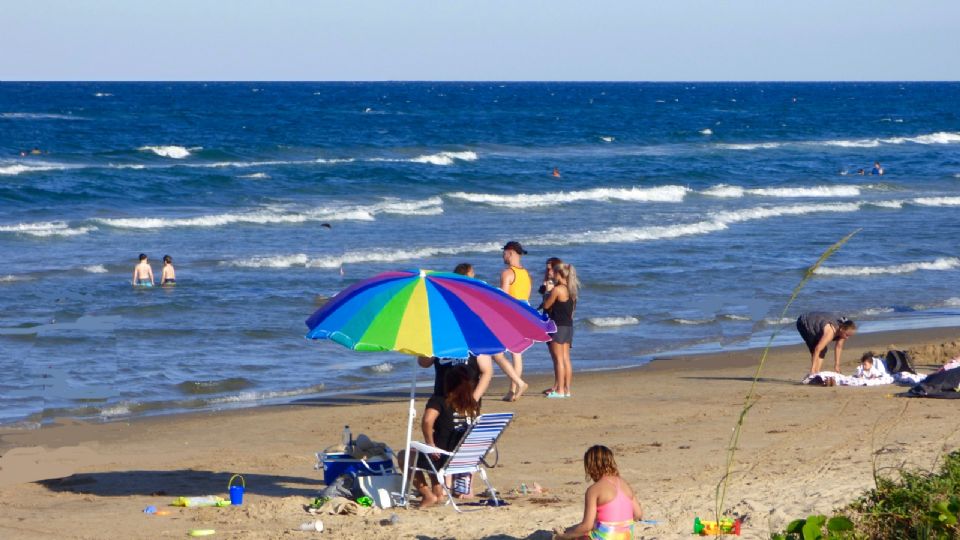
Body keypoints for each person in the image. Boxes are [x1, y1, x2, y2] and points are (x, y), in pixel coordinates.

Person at [451, 261, 528, 401]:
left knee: (490, 361)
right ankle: (519, 382)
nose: (474, 274)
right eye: (472, 272)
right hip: (483, 325)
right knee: (496, 356)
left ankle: (473, 395)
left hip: (476, 328)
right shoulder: (474, 286)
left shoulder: (461, 288)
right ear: (467, 273)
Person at [405, 365, 480, 508]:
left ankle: (427, 495)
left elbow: (427, 421)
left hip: (443, 458)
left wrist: (430, 444)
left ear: (447, 383)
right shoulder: (472, 405)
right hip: (464, 458)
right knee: (430, 453)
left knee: (406, 455)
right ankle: (438, 491)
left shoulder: (440, 400)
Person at [555, 445, 643, 540]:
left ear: (591, 467)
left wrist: (564, 536)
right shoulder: (625, 484)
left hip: (603, 538)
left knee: (578, 535)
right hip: (626, 537)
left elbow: (587, 526)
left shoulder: (594, 490)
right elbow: (638, 514)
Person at [498, 242, 533, 401]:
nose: (503, 256)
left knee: (498, 352)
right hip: (525, 313)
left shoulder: (507, 273)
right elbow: (526, 296)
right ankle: (513, 389)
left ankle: (516, 386)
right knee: (517, 353)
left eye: (504, 253)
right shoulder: (526, 273)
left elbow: (503, 298)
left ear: (510, 252)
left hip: (510, 314)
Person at [543, 262, 580, 398]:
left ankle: (560, 391)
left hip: (557, 326)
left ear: (559, 274)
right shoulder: (572, 291)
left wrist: (548, 291)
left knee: (558, 360)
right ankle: (567, 389)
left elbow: (547, 306)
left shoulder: (558, 290)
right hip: (568, 327)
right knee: (566, 359)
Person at [796, 312, 857, 381]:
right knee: (819, 348)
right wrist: (812, 369)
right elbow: (817, 349)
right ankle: (813, 373)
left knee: (823, 349)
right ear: (841, 329)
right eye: (847, 335)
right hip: (804, 323)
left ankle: (816, 373)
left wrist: (837, 365)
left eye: (849, 336)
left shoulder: (843, 331)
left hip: (820, 323)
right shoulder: (830, 332)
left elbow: (838, 347)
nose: (847, 338)